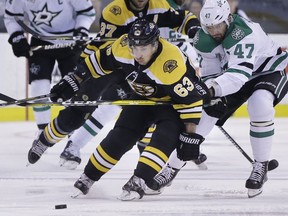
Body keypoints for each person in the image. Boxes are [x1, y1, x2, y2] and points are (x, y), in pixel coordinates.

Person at [28, 19, 210, 201]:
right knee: (119, 136)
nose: (138, 54)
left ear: (155, 45)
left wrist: (191, 137)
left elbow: (190, 100)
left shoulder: (169, 64)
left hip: (171, 105)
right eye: (134, 47)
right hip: (141, 98)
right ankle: (88, 177)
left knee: (163, 139)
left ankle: (140, 180)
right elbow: (97, 61)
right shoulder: (122, 46)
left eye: (143, 48)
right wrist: (74, 79)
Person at [153, 0, 288, 198]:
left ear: (228, 18)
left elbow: (238, 75)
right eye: (209, 27)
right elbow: (211, 72)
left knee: (259, 104)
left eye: (218, 25)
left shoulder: (244, 33)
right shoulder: (203, 38)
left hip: (269, 70)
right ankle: (171, 169)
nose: (214, 31)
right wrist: (208, 92)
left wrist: (210, 91)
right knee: (205, 116)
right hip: (234, 75)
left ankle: (260, 165)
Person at [58, 0, 205, 170]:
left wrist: (194, 29)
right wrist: (80, 71)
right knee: (112, 107)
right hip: (134, 66)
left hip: (161, 72)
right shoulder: (156, 7)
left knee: (162, 111)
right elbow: (108, 42)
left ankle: (171, 147)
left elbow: (185, 20)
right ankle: (74, 144)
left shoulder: (167, 11)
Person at [4, 0, 96, 136]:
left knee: (72, 86)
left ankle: (71, 129)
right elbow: (11, 17)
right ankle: (43, 131)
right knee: (39, 85)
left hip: (70, 40)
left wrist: (81, 31)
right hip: (39, 40)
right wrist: (17, 38)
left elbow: (87, 12)